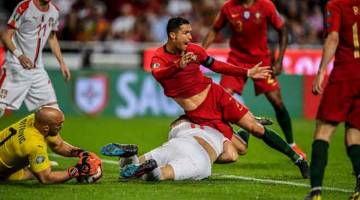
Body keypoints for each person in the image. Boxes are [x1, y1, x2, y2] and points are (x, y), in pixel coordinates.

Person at [149, 17, 309, 178]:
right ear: (172, 35)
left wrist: (246, 72)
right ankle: (239, 131)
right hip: (201, 115)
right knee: (238, 151)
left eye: (190, 32)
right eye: (185, 33)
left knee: (255, 128)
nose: (190, 37)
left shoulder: (194, 51)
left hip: (217, 96)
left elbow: (217, 65)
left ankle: (298, 159)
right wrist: (178, 65)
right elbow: (159, 74)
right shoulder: (159, 58)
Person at [202, 0, 306, 159]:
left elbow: (282, 29)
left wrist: (279, 60)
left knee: (277, 101)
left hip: (261, 60)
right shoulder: (228, 7)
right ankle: (228, 139)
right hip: (236, 60)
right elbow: (214, 29)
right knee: (223, 97)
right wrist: (200, 53)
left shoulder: (266, 5)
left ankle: (292, 145)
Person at [305, 0, 360, 199]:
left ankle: (316, 192)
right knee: (354, 132)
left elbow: (333, 38)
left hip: (345, 74)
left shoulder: (336, 4)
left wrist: (321, 71)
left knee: (323, 130)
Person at [101, 118, 238, 181]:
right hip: (199, 157)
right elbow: (232, 156)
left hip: (177, 142)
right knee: (162, 173)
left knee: (132, 167)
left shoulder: (186, 124)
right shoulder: (220, 135)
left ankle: (129, 157)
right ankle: (152, 170)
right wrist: (213, 156)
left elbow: (174, 125)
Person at [0, 0, 71, 118]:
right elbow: (6, 36)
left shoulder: (54, 11)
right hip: (16, 67)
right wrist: (20, 56)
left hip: (37, 70)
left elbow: (52, 38)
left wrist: (62, 63)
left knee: (54, 114)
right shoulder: (25, 7)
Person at [0, 106, 101, 184]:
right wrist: (76, 171)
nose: (62, 126)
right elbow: (46, 179)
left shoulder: (34, 119)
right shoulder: (35, 145)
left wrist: (82, 153)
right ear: (46, 128)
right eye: (59, 125)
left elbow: (58, 145)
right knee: (37, 172)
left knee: (33, 170)